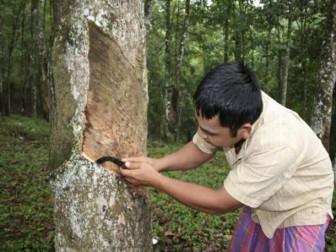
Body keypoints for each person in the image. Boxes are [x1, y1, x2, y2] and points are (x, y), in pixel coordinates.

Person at [120, 61, 334, 251]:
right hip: (261, 201)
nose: (202, 135)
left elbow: (219, 202)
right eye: (200, 127)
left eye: (210, 133)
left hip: (300, 209)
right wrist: (157, 164)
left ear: (245, 131)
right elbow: (200, 148)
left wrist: (156, 180)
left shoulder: (278, 143)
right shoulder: (234, 110)